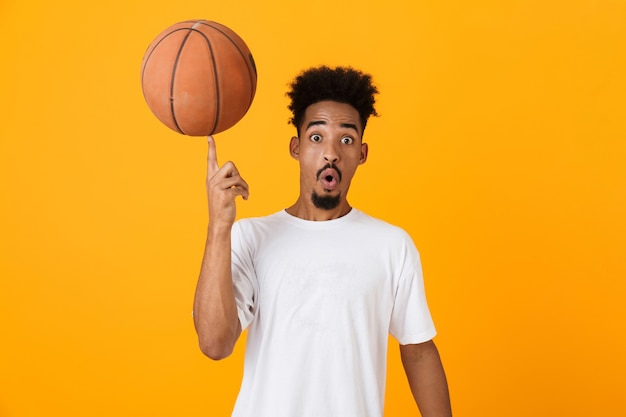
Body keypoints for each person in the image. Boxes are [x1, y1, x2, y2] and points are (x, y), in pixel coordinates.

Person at [193, 65, 452, 417]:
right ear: (296, 148)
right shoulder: (251, 237)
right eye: (317, 137)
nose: (331, 152)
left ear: (361, 153)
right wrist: (218, 227)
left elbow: (419, 350)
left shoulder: (392, 246)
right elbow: (214, 343)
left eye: (346, 139)